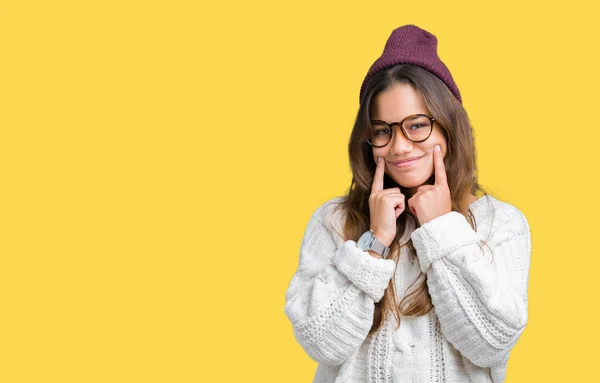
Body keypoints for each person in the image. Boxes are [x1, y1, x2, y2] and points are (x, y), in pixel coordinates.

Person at [283, 25, 531, 383]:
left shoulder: (500, 222)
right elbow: (321, 344)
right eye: (383, 130)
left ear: (448, 127)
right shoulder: (334, 220)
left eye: (416, 126)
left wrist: (441, 229)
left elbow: (491, 343)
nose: (398, 146)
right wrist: (374, 242)